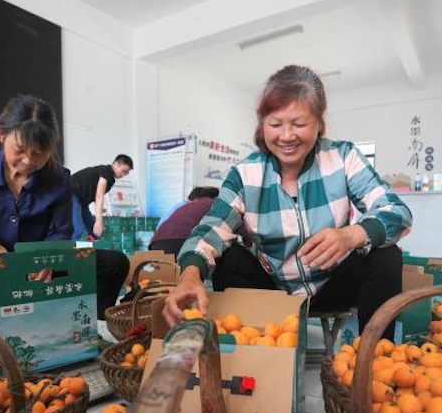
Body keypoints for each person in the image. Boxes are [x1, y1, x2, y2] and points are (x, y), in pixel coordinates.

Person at [163, 65, 413, 340]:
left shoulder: (343, 158)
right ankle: (248, 344)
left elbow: (397, 211)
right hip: (274, 291)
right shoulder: (245, 175)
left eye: (299, 124)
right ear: (262, 125)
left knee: (385, 253)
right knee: (229, 258)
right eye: (275, 124)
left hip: (334, 284)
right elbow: (210, 230)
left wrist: (352, 235)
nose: (286, 136)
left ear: (319, 124)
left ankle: (375, 358)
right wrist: (190, 275)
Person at [0, 95, 129, 387]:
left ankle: (87, 331)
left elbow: (61, 232)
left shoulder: (59, 178)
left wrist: (50, 258)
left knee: (113, 262)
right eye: (19, 150)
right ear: (1, 134)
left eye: (40, 153)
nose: (28, 161)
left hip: (37, 268)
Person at [70, 154, 133, 240]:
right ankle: (71, 252)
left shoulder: (111, 180)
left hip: (81, 200)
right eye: (123, 171)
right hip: (71, 193)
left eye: (126, 173)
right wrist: (99, 220)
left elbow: (97, 195)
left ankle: (92, 251)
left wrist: (99, 210)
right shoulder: (106, 171)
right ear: (116, 164)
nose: (123, 175)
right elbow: (99, 195)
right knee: (79, 229)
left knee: (92, 229)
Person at [149, 187, 220, 255]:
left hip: (156, 242)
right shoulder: (214, 204)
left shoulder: (184, 206)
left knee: (166, 267)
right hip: (182, 241)